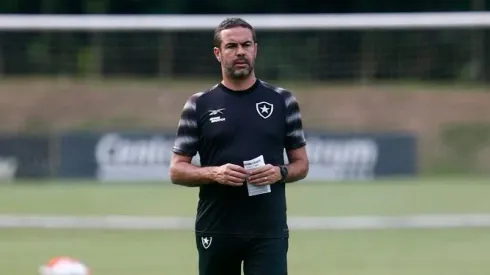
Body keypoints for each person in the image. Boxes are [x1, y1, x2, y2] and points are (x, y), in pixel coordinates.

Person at [169, 17, 309, 275]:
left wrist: (281, 172)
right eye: (231, 46)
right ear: (218, 53)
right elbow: (177, 170)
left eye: (246, 44)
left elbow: (301, 164)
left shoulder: (282, 101)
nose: (240, 52)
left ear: (255, 48)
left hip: (268, 231)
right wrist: (214, 173)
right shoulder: (199, 104)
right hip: (217, 227)